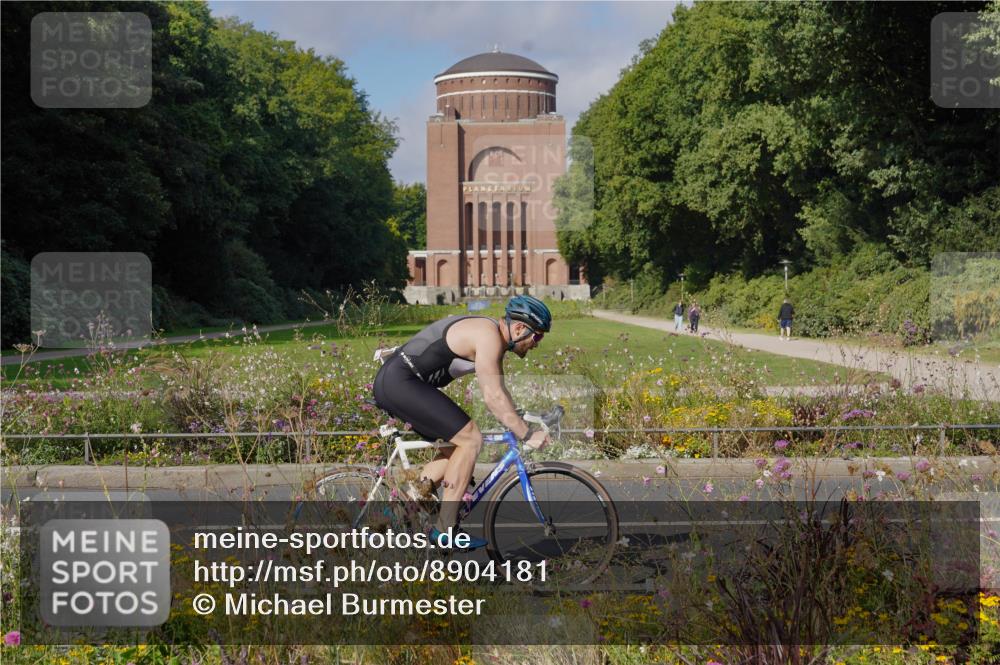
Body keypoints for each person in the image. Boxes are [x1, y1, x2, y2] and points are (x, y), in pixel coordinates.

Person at [372, 295, 551, 549]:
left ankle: (401, 509)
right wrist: (526, 434)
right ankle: (445, 531)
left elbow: (498, 389)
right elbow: (492, 397)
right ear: (520, 328)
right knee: (471, 439)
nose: (536, 344)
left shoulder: (492, 336)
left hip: (400, 382)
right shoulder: (489, 337)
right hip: (401, 383)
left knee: (457, 448)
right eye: (538, 336)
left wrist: (522, 419)